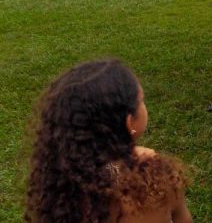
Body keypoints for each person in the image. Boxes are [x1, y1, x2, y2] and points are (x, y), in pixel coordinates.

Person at [26, 58, 192, 223]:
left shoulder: (62, 186)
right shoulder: (158, 179)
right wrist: (134, 165)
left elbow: (105, 173)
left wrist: (119, 167)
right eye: (141, 100)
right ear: (130, 122)